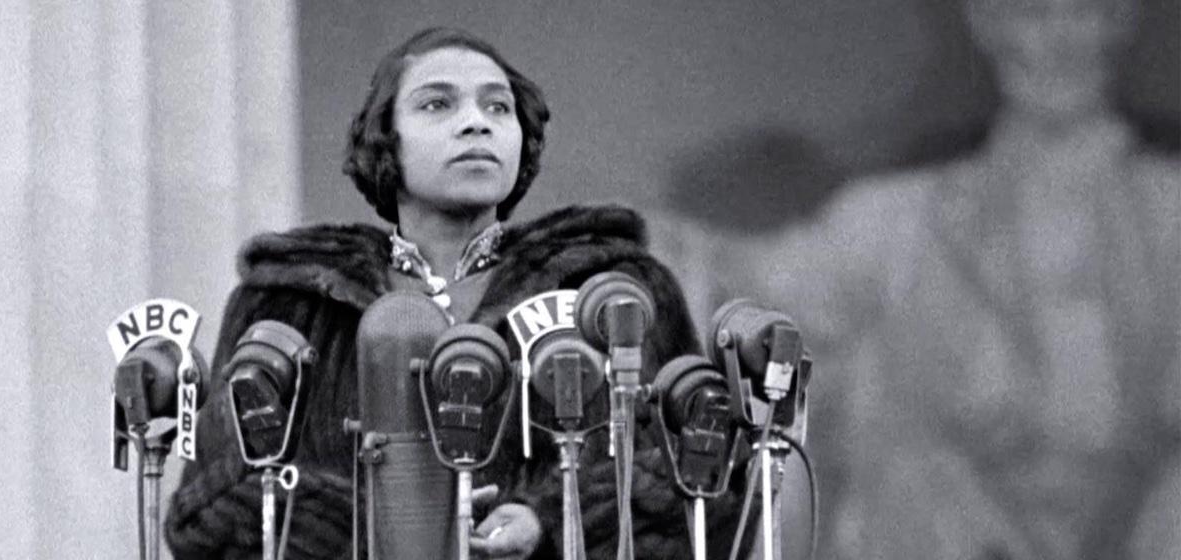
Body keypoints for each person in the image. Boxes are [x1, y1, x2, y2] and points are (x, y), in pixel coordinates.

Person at [165, 27, 755, 559]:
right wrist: (384, 531)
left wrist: (548, 521)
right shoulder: (287, 301)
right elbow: (209, 507)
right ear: (385, 140)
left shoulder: (612, 290)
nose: (476, 122)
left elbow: (706, 486)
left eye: (498, 106)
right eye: (437, 104)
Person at [681, 0, 1180, 558]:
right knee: (899, 459)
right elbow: (751, 283)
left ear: (1120, 21)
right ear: (988, 22)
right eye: (1033, 11)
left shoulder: (1169, 212)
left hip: (1145, 528)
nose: (1061, 38)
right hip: (953, 529)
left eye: (1085, 11)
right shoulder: (902, 219)